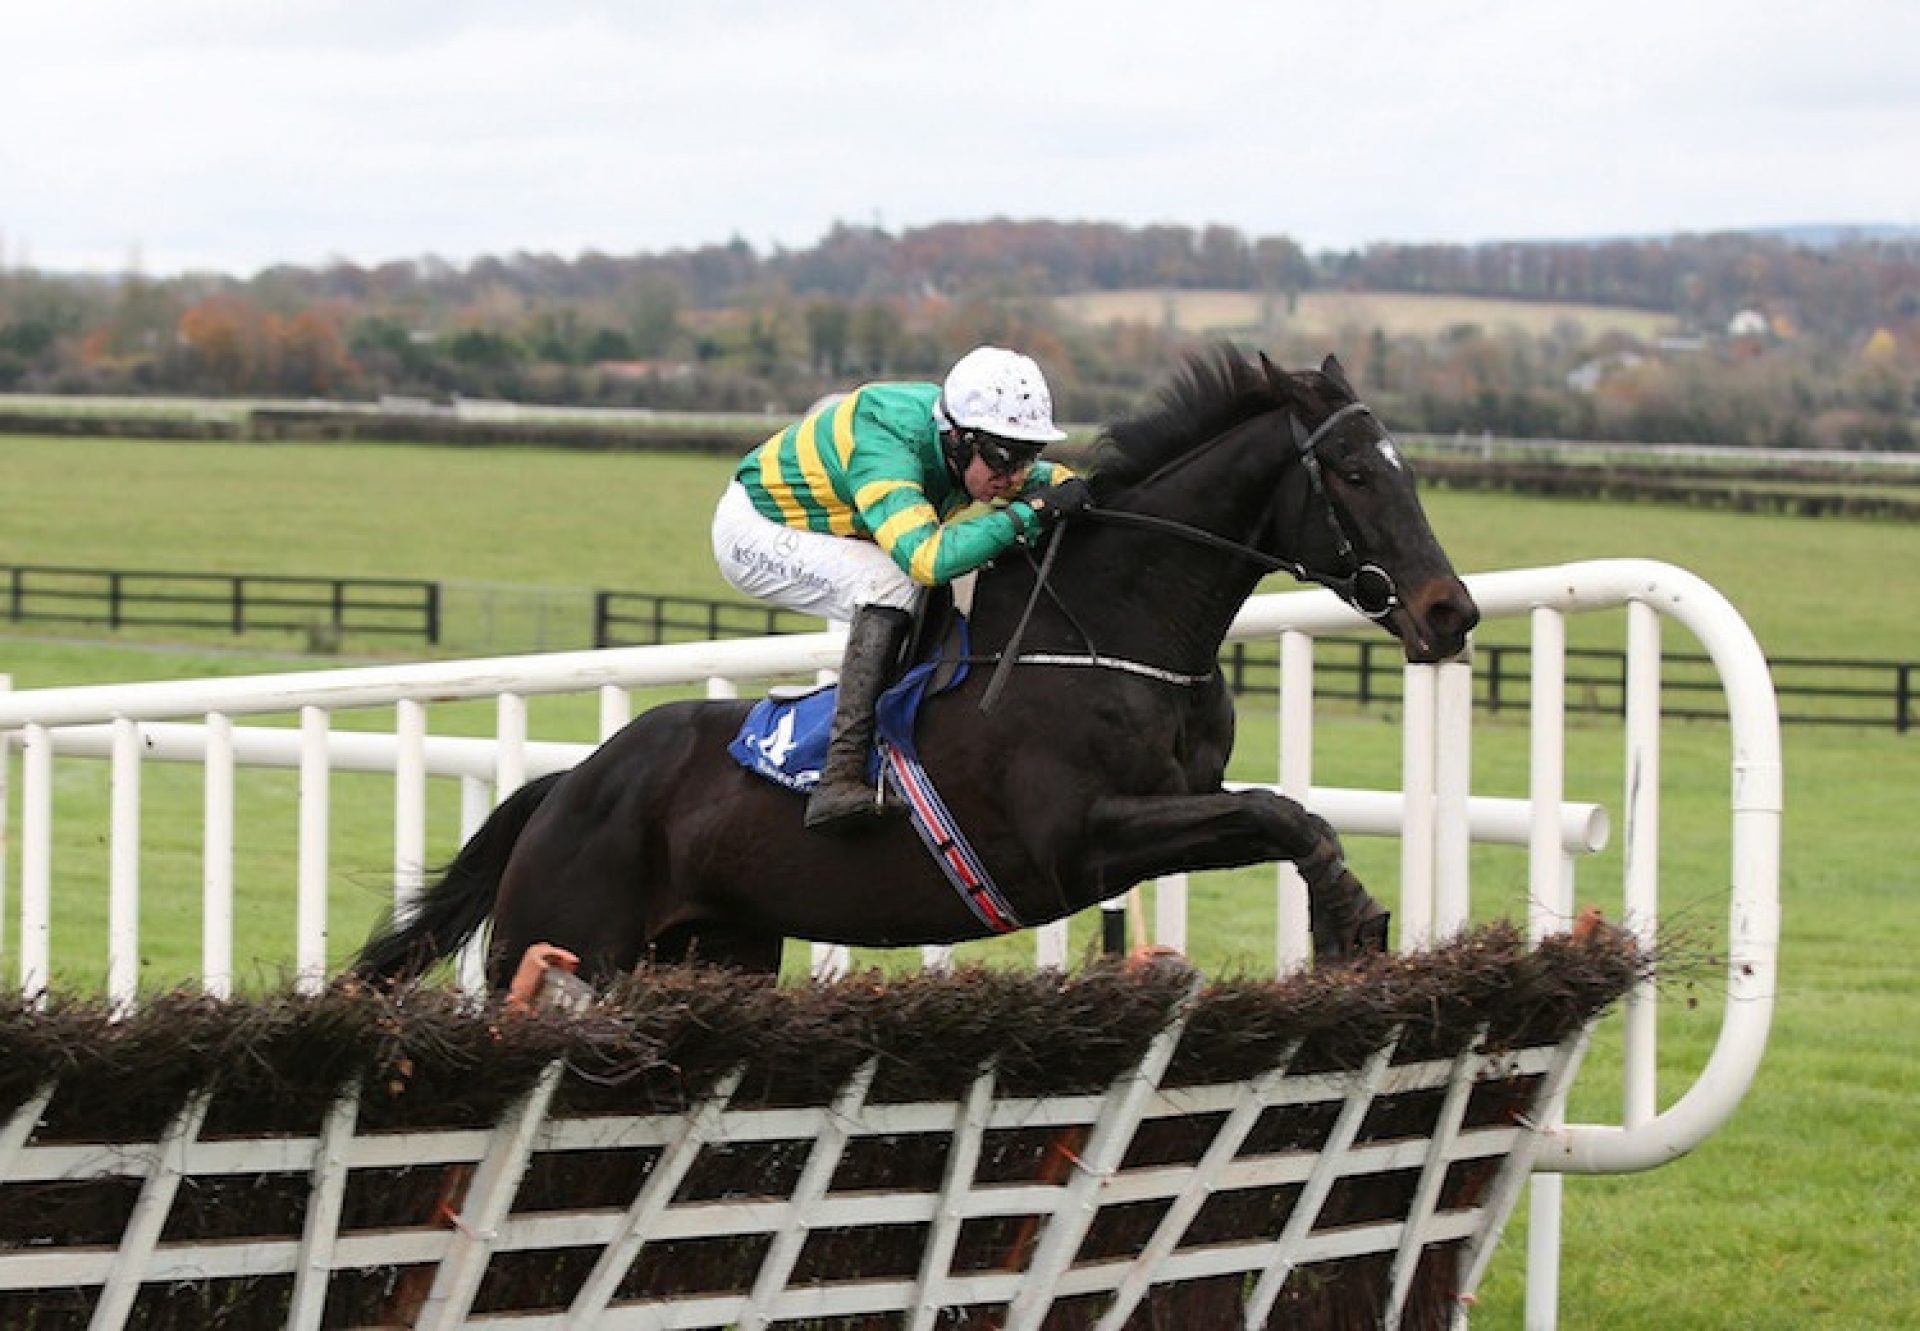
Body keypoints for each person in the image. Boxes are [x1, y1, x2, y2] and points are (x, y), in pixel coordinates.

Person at [712, 345, 1091, 832]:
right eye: (1004, 457)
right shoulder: (887, 441)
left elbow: (1052, 483)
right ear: (957, 437)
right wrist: (1029, 514)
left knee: (944, 575)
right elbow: (925, 559)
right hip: (756, 529)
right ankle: (840, 772)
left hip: (832, 525)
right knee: (893, 580)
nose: (1014, 475)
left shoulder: (974, 449)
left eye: (1027, 456)